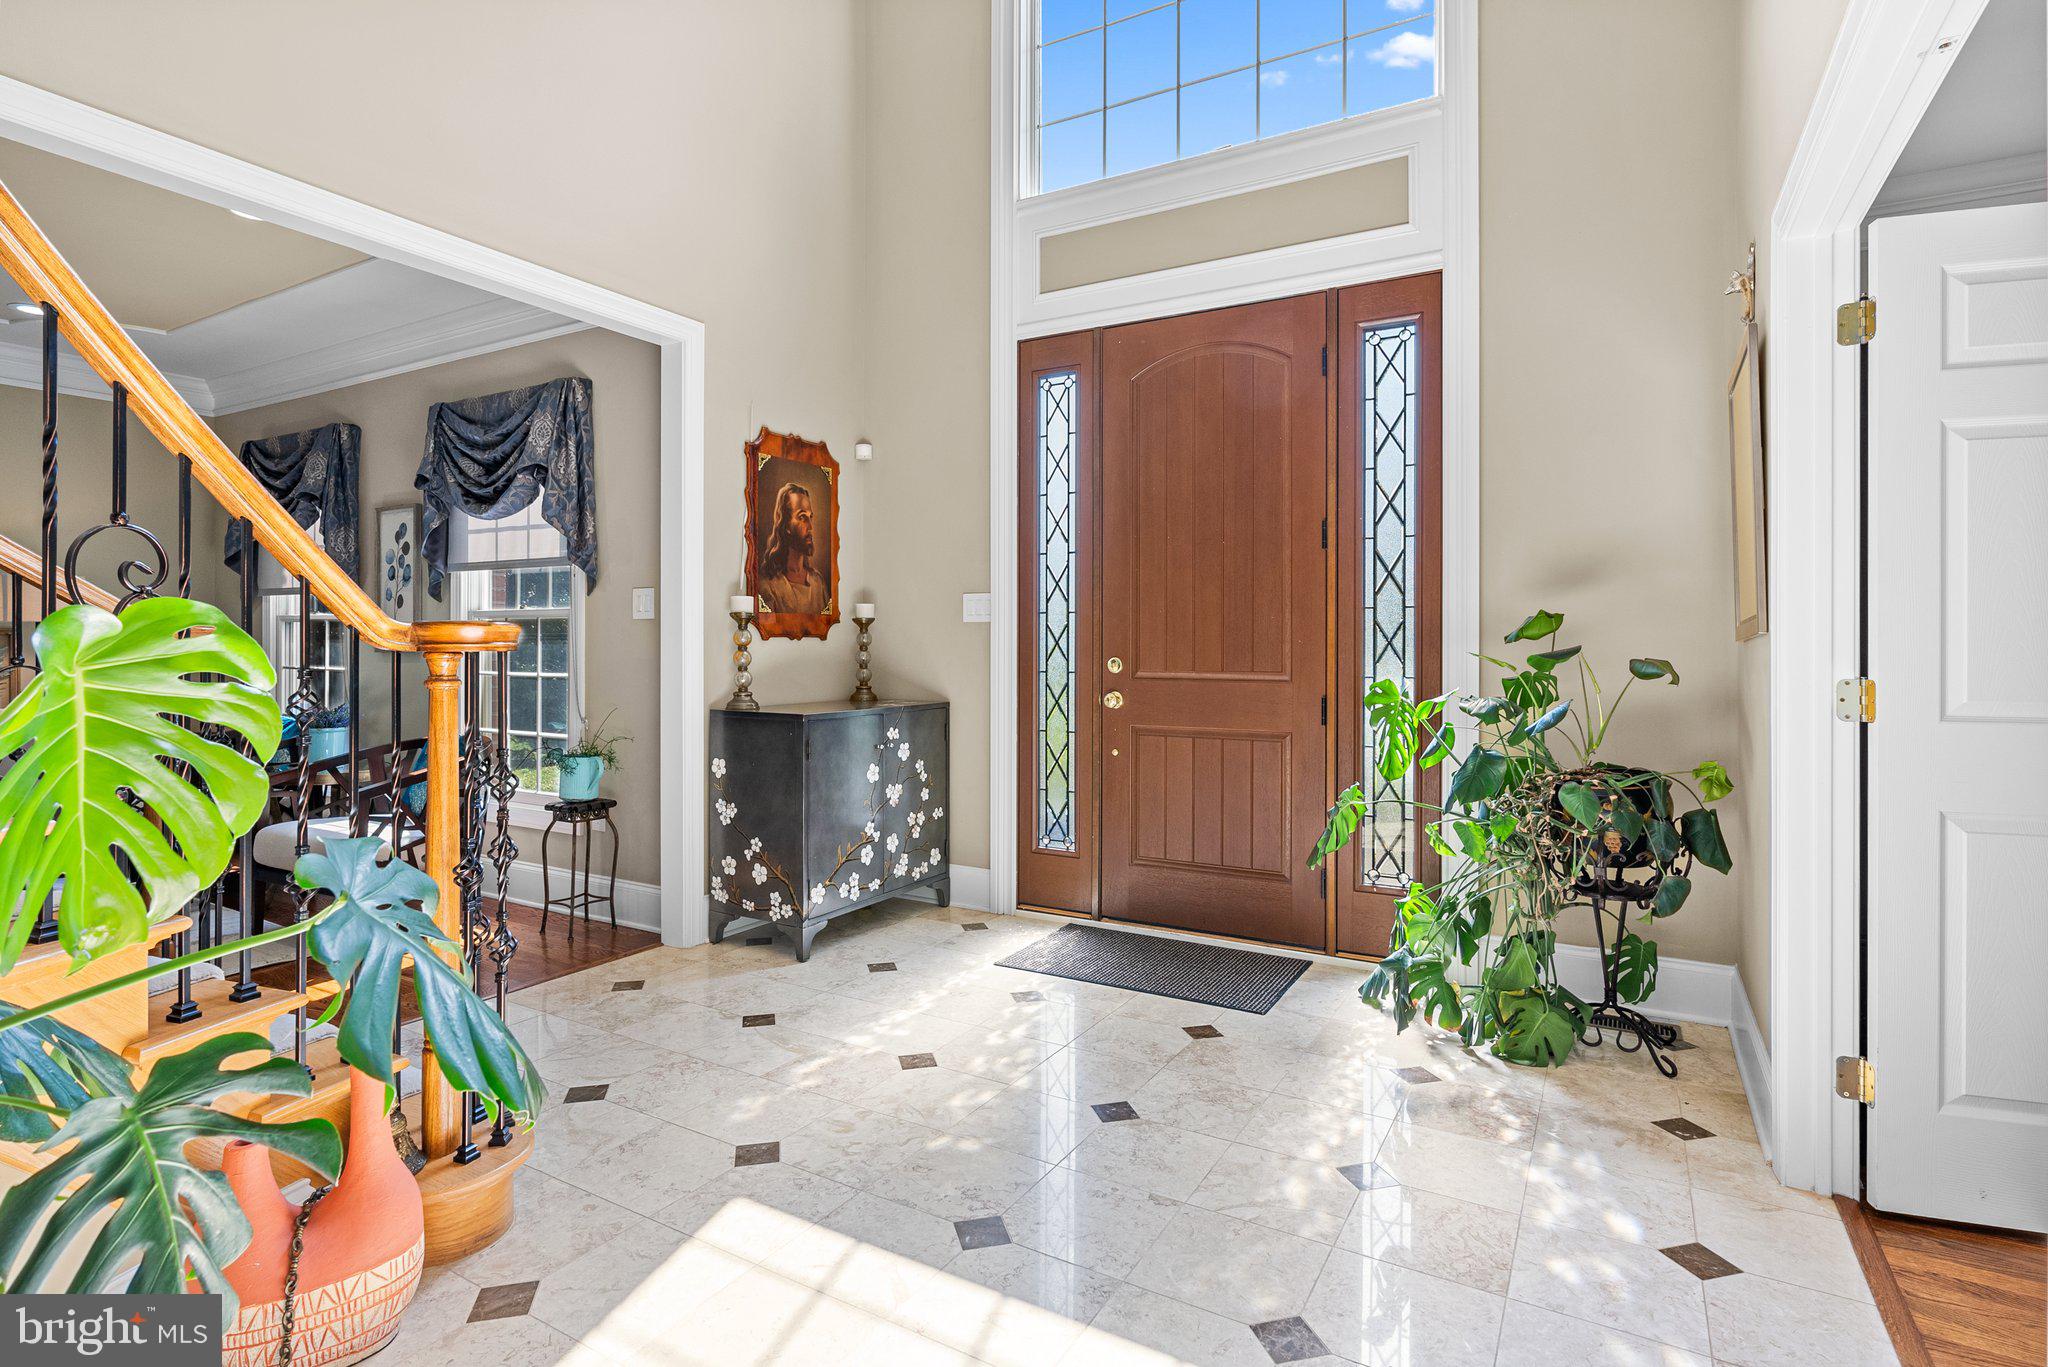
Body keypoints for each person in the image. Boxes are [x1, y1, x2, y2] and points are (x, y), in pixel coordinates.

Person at [758, 480, 828, 615]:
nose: (811, 527)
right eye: (802, 517)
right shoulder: (768, 585)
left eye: (810, 517)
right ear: (786, 524)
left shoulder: (818, 583)